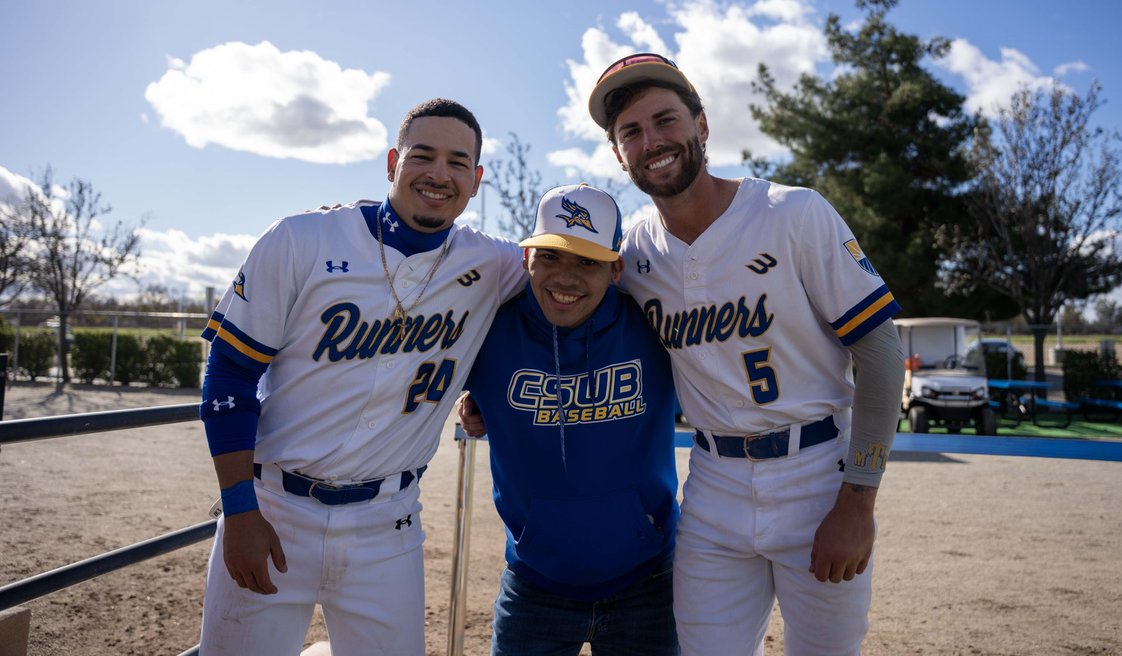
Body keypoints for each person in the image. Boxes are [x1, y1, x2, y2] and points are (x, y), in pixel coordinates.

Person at [587, 53, 905, 656]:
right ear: (618, 154)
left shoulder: (792, 211)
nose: (652, 140)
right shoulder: (632, 255)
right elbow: (567, 308)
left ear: (702, 125)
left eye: (665, 119)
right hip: (712, 484)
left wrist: (859, 498)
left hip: (818, 473)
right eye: (631, 132)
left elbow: (883, 353)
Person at [197, 98, 525, 655]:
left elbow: (572, 283)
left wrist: (488, 389)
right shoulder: (303, 238)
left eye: (457, 162)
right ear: (393, 161)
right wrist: (239, 510)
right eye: (423, 156)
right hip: (273, 509)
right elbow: (229, 376)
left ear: (477, 179)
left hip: (389, 524)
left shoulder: (496, 264)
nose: (439, 174)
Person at [458, 183, 680, 656]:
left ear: (615, 268)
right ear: (526, 258)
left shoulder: (656, 322)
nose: (566, 277)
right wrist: (471, 402)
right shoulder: (487, 328)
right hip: (534, 583)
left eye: (587, 262)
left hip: (648, 581)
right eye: (552, 257)